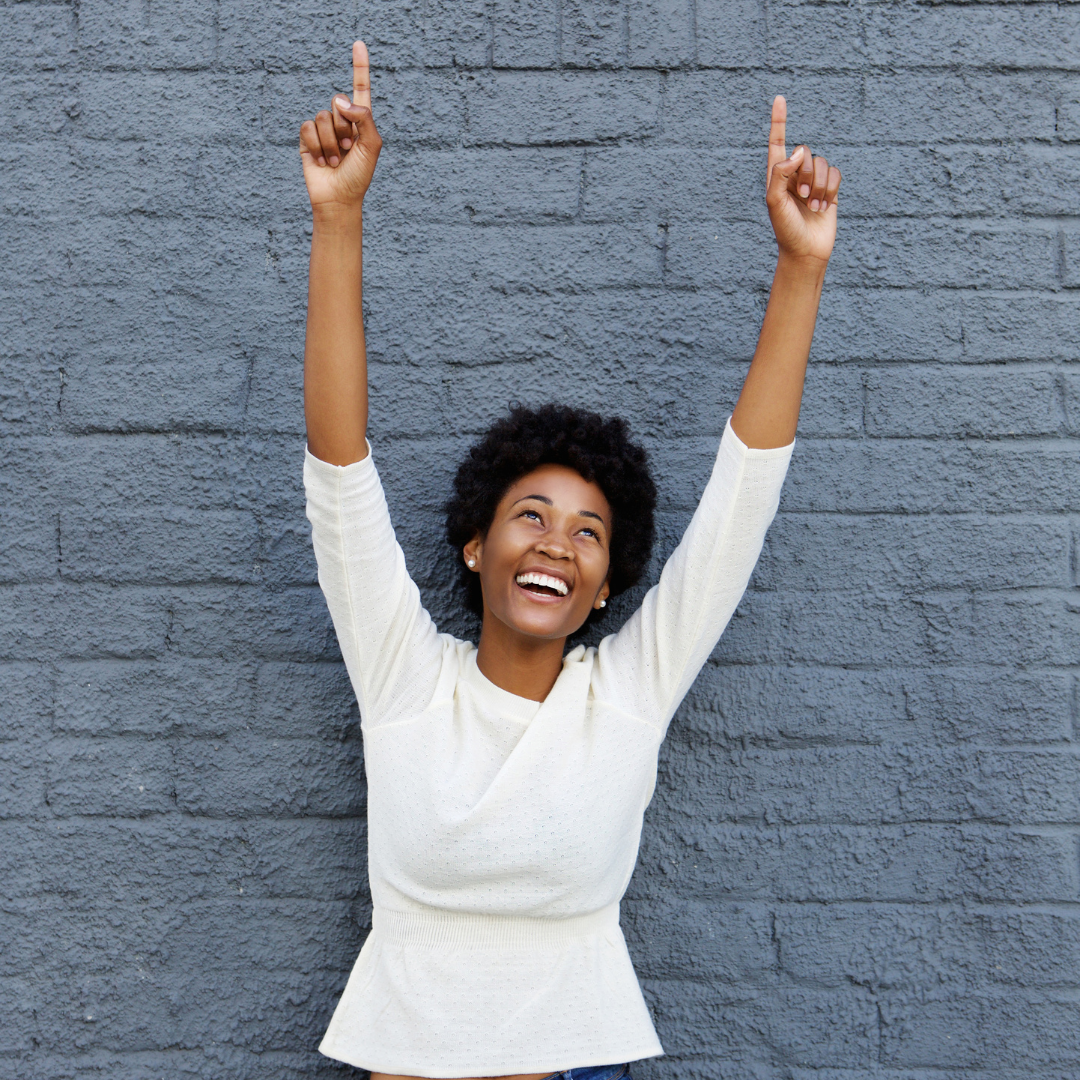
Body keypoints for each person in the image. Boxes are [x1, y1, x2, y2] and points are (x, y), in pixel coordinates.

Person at [298, 39, 841, 1080]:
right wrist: (338, 219)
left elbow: (740, 505)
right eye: (532, 517)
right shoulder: (405, 678)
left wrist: (800, 270)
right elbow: (339, 474)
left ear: (604, 584)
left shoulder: (626, 696)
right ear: (476, 546)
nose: (557, 543)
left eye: (589, 532)